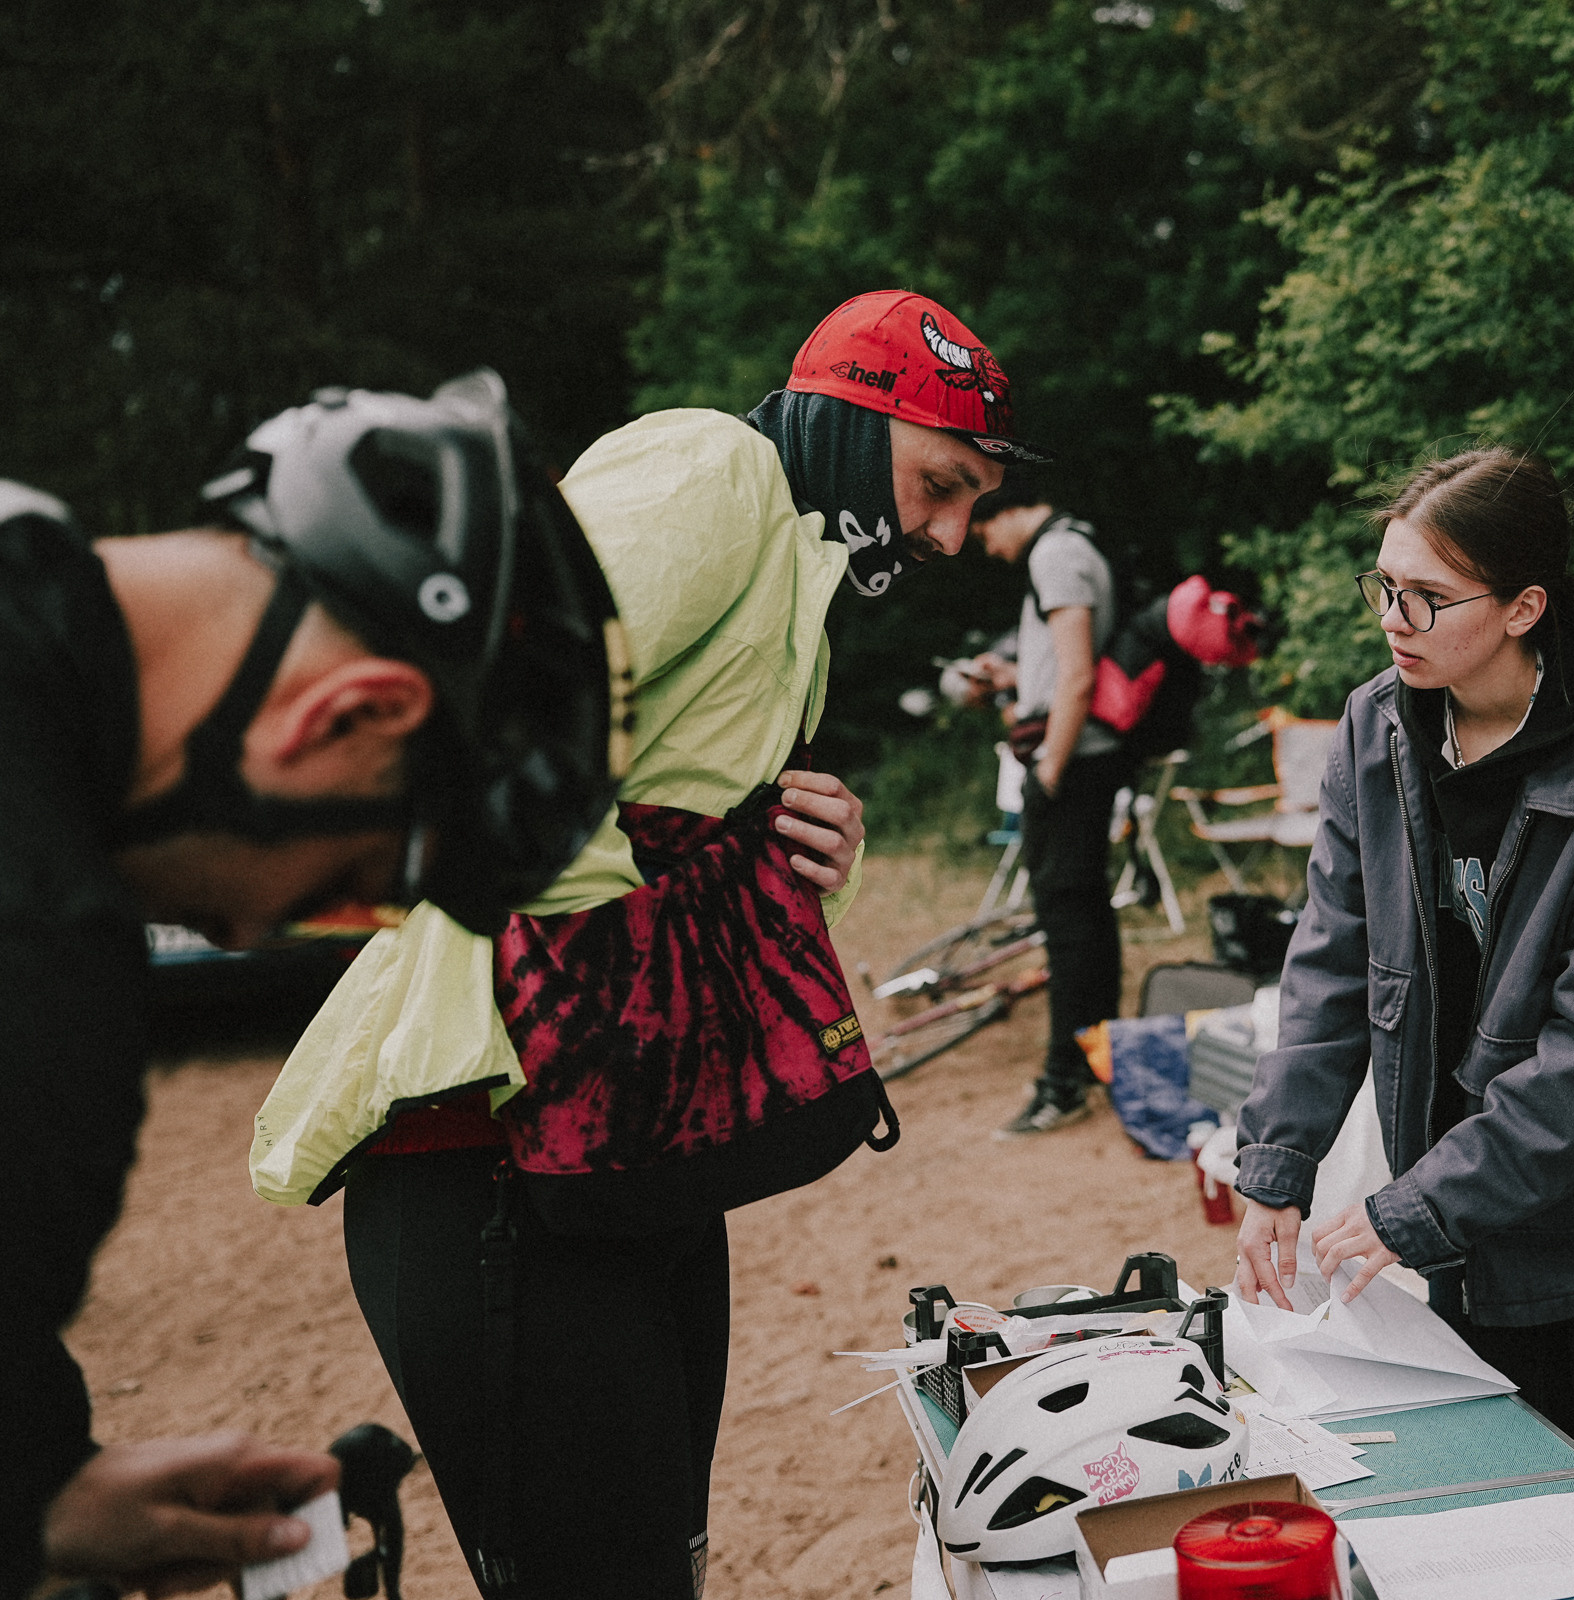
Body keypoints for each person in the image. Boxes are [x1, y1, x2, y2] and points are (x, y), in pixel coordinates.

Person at [250, 290, 1044, 1598]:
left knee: (649, 1568)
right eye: (938, 484)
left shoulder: (791, 577)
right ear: (846, 425)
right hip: (485, 1156)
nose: (950, 534)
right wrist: (689, 838)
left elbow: (651, 826)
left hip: (630, 1154)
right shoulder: (712, 466)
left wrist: (784, 841)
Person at [1, 371, 627, 1598]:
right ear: (353, 710)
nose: (248, 924)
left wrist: (38, 1489)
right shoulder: (45, 974)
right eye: (351, 883)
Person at [1229, 446, 1574, 1504]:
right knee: (1502, 1506)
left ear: (1524, 608)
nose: (1393, 620)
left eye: (1428, 597)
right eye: (1385, 587)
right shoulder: (1375, 729)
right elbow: (1329, 957)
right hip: (1482, 1222)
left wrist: (1409, 1210)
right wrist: (1278, 1164)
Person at [966, 482, 1131, 1137]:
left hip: (1073, 761)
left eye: (984, 535)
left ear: (1001, 513)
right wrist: (1012, 680)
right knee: (1085, 914)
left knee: (1067, 923)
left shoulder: (1054, 553)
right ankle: (1096, 1058)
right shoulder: (1078, 543)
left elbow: (1078, 674)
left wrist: (1049, 769)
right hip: (1086, 756)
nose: (992, 551)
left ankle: (1065, 1080)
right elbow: (1067, 661)